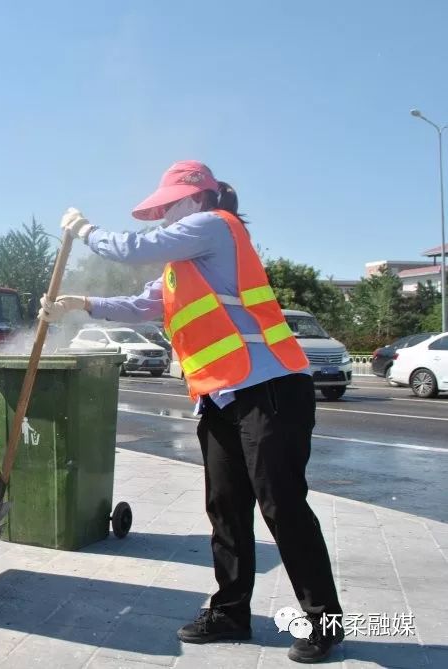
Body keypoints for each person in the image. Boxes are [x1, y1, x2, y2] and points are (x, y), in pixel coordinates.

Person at [39, 161, 344, 664]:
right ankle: (230, 613)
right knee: (225, 508)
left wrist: (84, 230)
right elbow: (142, 305)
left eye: (167, 207)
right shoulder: (182, 268)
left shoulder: (215, 226)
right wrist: (81, 303)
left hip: (269, 389)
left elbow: (132, 248)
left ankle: (325, 621)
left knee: (283, 508)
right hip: (220, 397)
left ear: (195, 198)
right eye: (159, 211)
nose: (161, 218)